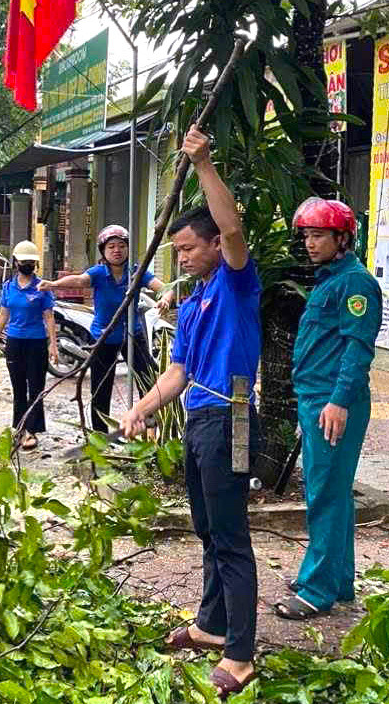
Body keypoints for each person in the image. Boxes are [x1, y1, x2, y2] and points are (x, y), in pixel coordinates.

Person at [119, 126, 261, 699]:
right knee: (206, 527)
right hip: (203, 419)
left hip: (235, 417)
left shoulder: (233, 282)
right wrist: (140, 408)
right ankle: (210, 623)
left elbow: (231, 227)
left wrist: (203, 163)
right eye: (175, 250)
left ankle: (242, 654)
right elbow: (178, 373)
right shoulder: (198, 299)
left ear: (210, 247)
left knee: (230, 534)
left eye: (186, 249)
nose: (180, 258)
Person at [274, 198, 382, 620]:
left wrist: (338, 401)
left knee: (324, 495)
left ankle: (315, 591)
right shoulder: (331, 280)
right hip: (318, 399)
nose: (309, 243)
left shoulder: (355, 284)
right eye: (306, 235)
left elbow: (358, 349)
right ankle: (337, 582)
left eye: (318, 235)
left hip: (333, 402)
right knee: (334, 493)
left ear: (342, 238)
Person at [39, 224, 172, 431]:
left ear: (128, 248)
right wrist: (54, 285)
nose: (117, 250)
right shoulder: (99, 273)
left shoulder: (137, 272)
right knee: (100, 388)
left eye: (121, 246)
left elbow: (163, 287)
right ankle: (99, 434)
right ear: (103, 251)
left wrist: (165, 298)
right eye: (111, 247)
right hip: (102, 337)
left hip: (132, 334)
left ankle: (151, 427)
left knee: (147, 379)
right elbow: (80, 280)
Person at [0, 240, 58, 449]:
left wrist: (52, 345)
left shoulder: (42, 287)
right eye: (23, 261)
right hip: (15, 343)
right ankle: (19, 428)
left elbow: (49, 317)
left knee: (36, 387)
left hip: (36, 343)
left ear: (35, 265)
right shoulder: (8, 287)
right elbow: (3, 315)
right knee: (18, 388)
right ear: (15, 262)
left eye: (30, 261)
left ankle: (32, 431)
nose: (26, 264)